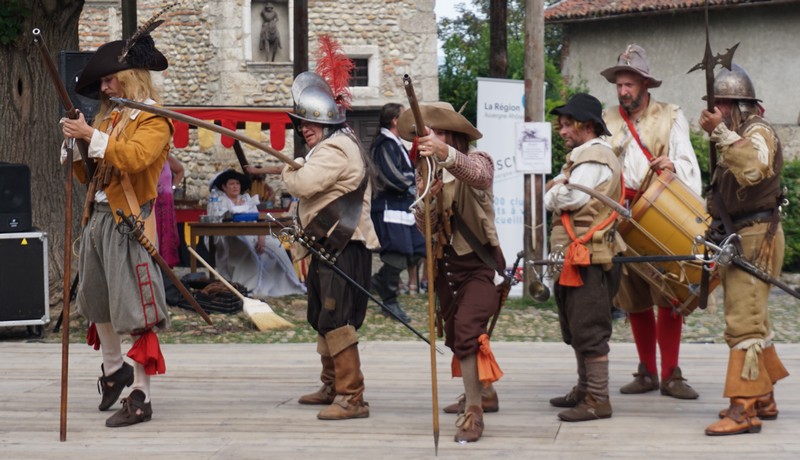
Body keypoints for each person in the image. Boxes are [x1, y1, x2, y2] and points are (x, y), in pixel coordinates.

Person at [60, 28, 172, 427]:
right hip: (99, 219)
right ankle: (113, 371)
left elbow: (135, 159)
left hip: (130, 223)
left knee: (135, 310)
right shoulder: (112, 117)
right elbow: (90, 175)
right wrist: (76, 144)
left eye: (110, 78)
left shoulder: (155, 119)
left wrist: (91, 135)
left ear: (130, 76)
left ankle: (141, 394)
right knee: (96, 300)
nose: (104, 87)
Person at [397, 101, 505, 443]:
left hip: (477, 267)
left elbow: (479, 175)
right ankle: (484, 392)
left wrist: (443, 154)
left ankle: (474, 411)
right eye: (428, 132)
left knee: (467, 330)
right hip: (443, 267)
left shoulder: (478, 159)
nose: (430, 137)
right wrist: (426, 199)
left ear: (454, 136)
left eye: (439, 131)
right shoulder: (424, 172)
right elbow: (424, 228)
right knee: (457, 337)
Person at [600, 44, 702, 400]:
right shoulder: (607, 118)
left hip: (658, 216)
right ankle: (646, 371)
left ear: (645, 84)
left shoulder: (671, 115)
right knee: (633, 297)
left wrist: (672, 167)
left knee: (668, 293)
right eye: (619, 85)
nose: (623, 91)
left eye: (629, 84)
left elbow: (687, 164)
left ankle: (671, 374)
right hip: (619, 218)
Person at [282, 71, 380, 420]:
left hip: (343, 245)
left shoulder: (337, 147)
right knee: (323, 316)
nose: (304, 128)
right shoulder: (329, 145)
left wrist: (287, 173)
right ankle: (332, 384)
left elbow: (304, 184)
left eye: (310, 122)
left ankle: (352, 397)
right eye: (301, 123)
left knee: (337, 319)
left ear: (326, 122)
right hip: (330, 246)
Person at [699, 64, 789, 436]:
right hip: (741, 234)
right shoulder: (736, 133)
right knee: (756, 319)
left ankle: (743, 410)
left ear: (735, 105)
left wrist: (719, 133)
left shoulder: (757, 132)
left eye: (718, 105)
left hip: (756, 235)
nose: (713, 112)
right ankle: (763, 398)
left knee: (744, 324)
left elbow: (754, 169)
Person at [545, 93, 625, 422]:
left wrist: (553, 189)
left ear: (586, 126)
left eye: (567, 125)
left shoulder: (594, 157)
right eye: (561, 125)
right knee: (578, 326)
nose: (562, 131)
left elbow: (568, 197)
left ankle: (598, 399)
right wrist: (558, 186)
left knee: (589, 328)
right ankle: (584, 388)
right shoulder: (583, 156)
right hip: (578, 256)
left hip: (590, 258)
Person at [206, 168, 305, 298]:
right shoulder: (220, 201)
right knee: (246, 247)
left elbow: (258, 219)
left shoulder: (247, 200)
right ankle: (250, 287)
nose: (235, 187)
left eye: (237, 184)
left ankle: (290, 284)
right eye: (231, 184)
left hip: (253, 233)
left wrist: (261, 236)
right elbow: (218, 220)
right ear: (224, 187)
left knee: (275, 244)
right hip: (229, 235)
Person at [369, 103, 426, 323]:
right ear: (395, 120)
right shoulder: (383, 144)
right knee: (398, 253)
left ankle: (376, 283)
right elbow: (392, 176)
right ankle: (389, 301)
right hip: (388, 208)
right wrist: (415, 183)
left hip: (402, 209)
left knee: (415, 250)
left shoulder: (395, 143)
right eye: (404, 116)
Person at [156, 154, 184, 268]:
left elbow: (180, 170)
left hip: (166, 202)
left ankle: (167, 264)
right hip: (152, 201)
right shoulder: (146, 156)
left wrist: (173, 187)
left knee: (166, 231)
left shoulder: (166, 157)